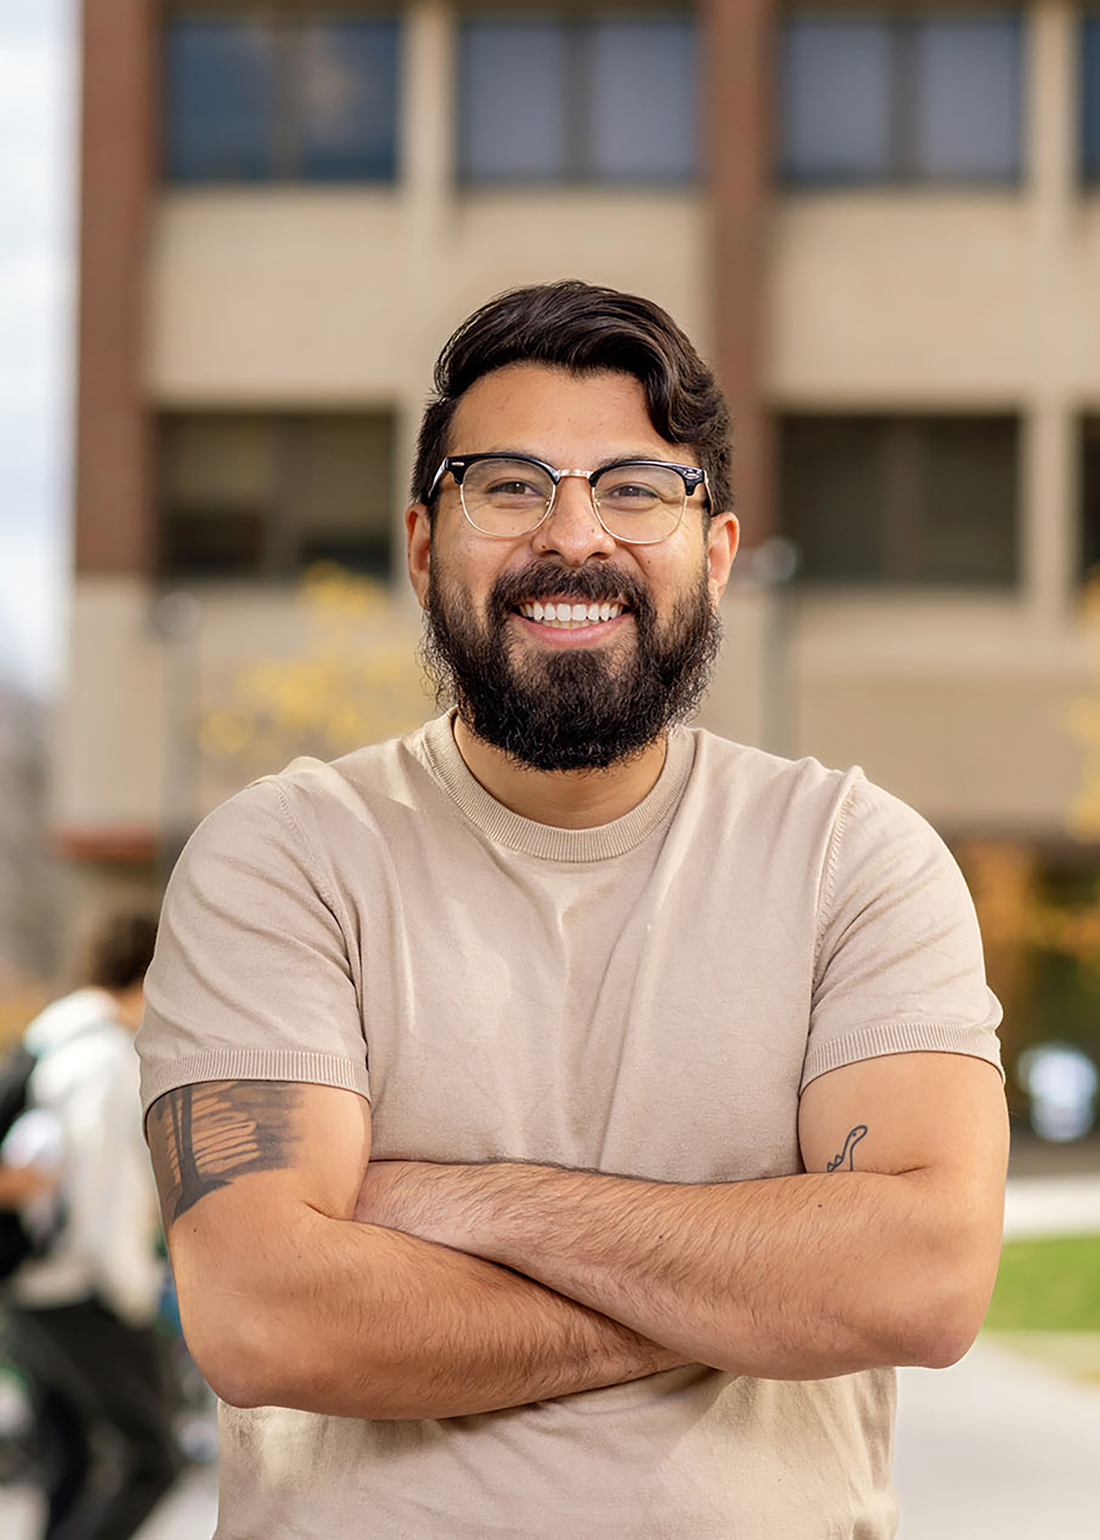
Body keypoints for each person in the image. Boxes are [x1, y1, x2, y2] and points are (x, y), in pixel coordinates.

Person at [138, 280, 1008, 1538]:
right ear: (424, 543)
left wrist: (461, 1201)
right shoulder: (283, 857)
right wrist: (740, 1293)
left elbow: (920, 1282)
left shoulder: (850, 858)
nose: (572, 536)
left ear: (714, 556)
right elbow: (264, 1316)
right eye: (506, 485)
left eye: (635, 489)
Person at [4, 907, 181, 1539]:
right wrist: (135, 1293)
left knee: (68, 1460)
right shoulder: (105, 1061)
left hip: (30, 1284)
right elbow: (105, 1200)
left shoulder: (50, 1035)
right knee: (153, 1458)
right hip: (81, 1291)